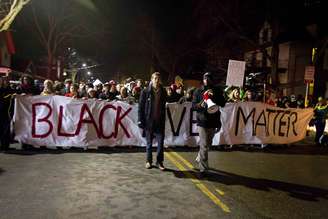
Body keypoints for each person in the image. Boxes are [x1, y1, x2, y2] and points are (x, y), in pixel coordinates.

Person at [192, 72, 226, 175]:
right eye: (205, 78)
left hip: (213, 120)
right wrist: (201, 103)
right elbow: (193, 106)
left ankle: (200, 155)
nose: (207, 80)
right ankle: (203, 169)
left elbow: (223, 103)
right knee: (204, 145)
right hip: (202, 121)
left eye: (209, 78)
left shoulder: (217, 90)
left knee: (208, 143)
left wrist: (214, 96)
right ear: (203, 80)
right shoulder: (198, 91)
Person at [138, 72, 167, 170]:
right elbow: (141, 107)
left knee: (161, 143)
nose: (157, 80)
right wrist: (140, 120)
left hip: (159, 121)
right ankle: (148, 161)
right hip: (148, 121)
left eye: (158, 79)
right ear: (151, 79)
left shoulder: (163, 91)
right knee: (149, 143)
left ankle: (159, 162)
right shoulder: (145, 91)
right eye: (155, 78)